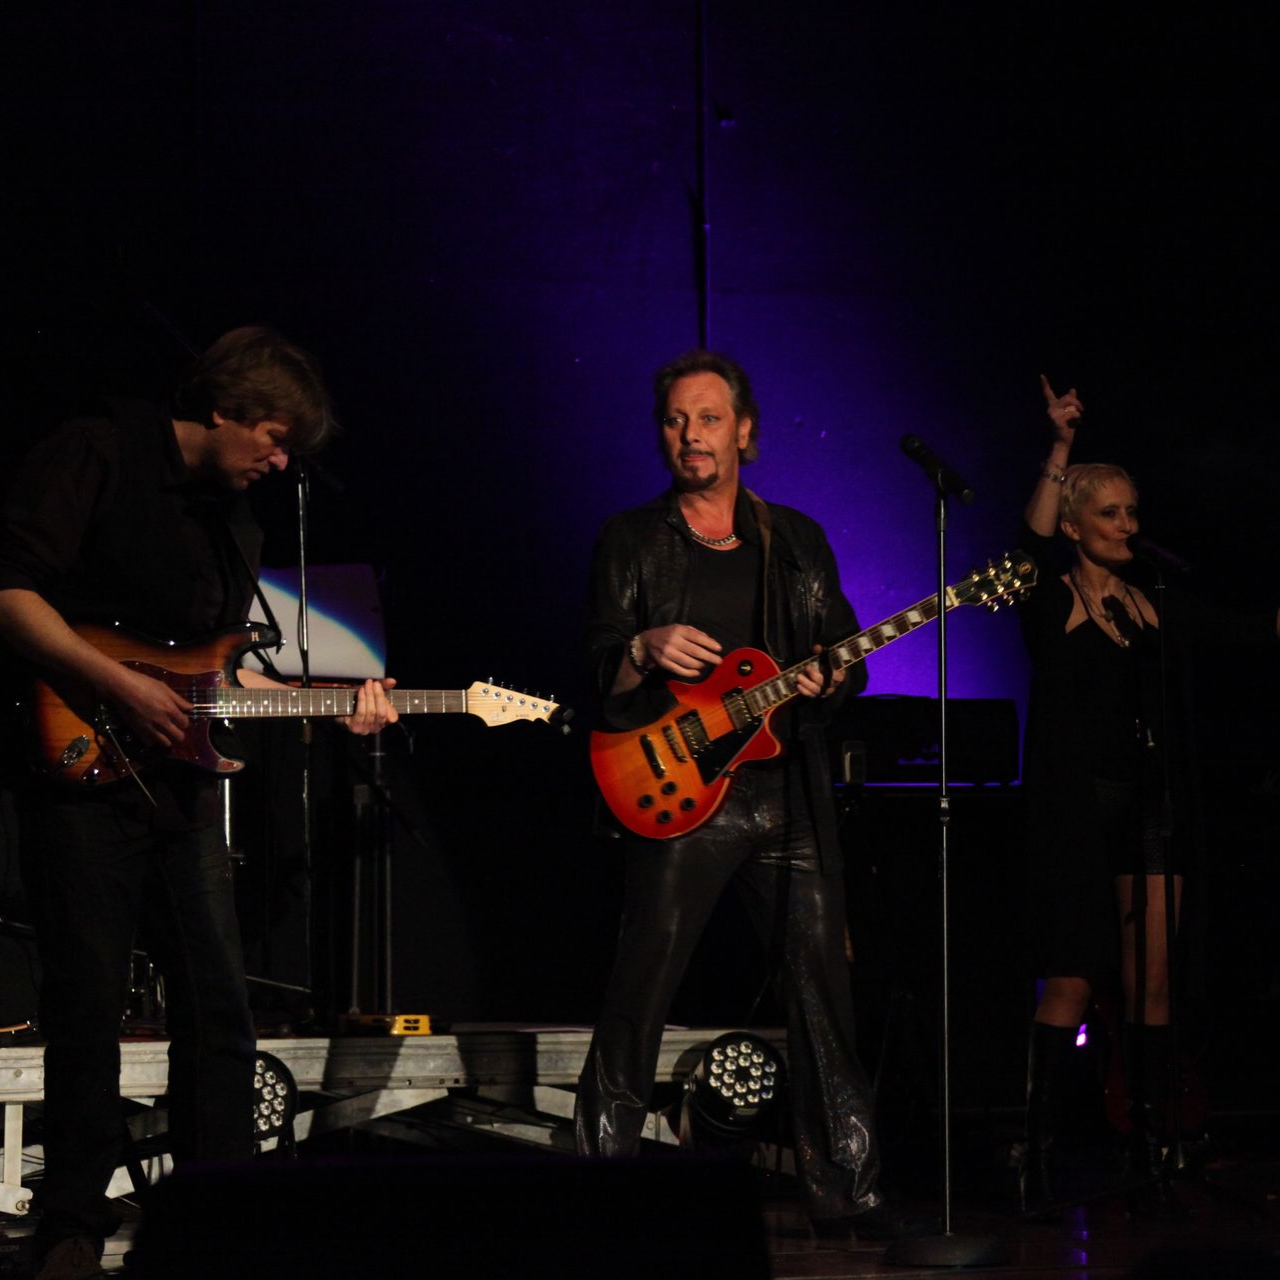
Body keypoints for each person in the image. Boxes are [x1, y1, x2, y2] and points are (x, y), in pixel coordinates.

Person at [0, 326, 398, 1279]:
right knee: (87, 1000)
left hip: (177, 785)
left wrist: (336, 705)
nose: (280, 456)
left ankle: (222, 1214)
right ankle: (72, 1224)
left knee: (219, 1004)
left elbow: (212, 675)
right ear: (220, 410)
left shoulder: (238, 520)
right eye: (269, 433)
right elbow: (12, 593)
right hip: (78, 770)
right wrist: (122, 685)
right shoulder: (97, 452)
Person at [574, 349, 922, 1243]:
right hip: (682, 792)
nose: (691, 435)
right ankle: (601, 1181)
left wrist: (828, 683)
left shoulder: (794, 539)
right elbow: (589, 668)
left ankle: (850, 1186)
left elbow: (846, 656)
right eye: (676, 419)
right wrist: (643, 648)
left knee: (821, 991)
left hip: (789, 794)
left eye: (710, 418)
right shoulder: (632, 539)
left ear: (746, 432)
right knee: (641, 984)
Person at [1017, 376, 1277, 1218]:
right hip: (1071, 812)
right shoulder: (1050, 598)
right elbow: (1025, 544)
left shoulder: (1150, 602)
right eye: (1111, 514)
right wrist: (1059, 450)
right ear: (1076, 522)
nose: (1128, 526)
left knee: (1153, 978)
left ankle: (1152, 1143)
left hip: (1144, 806)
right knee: (1074, 979)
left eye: (1133, 513)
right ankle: (1038, 1149)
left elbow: (1240, 632)